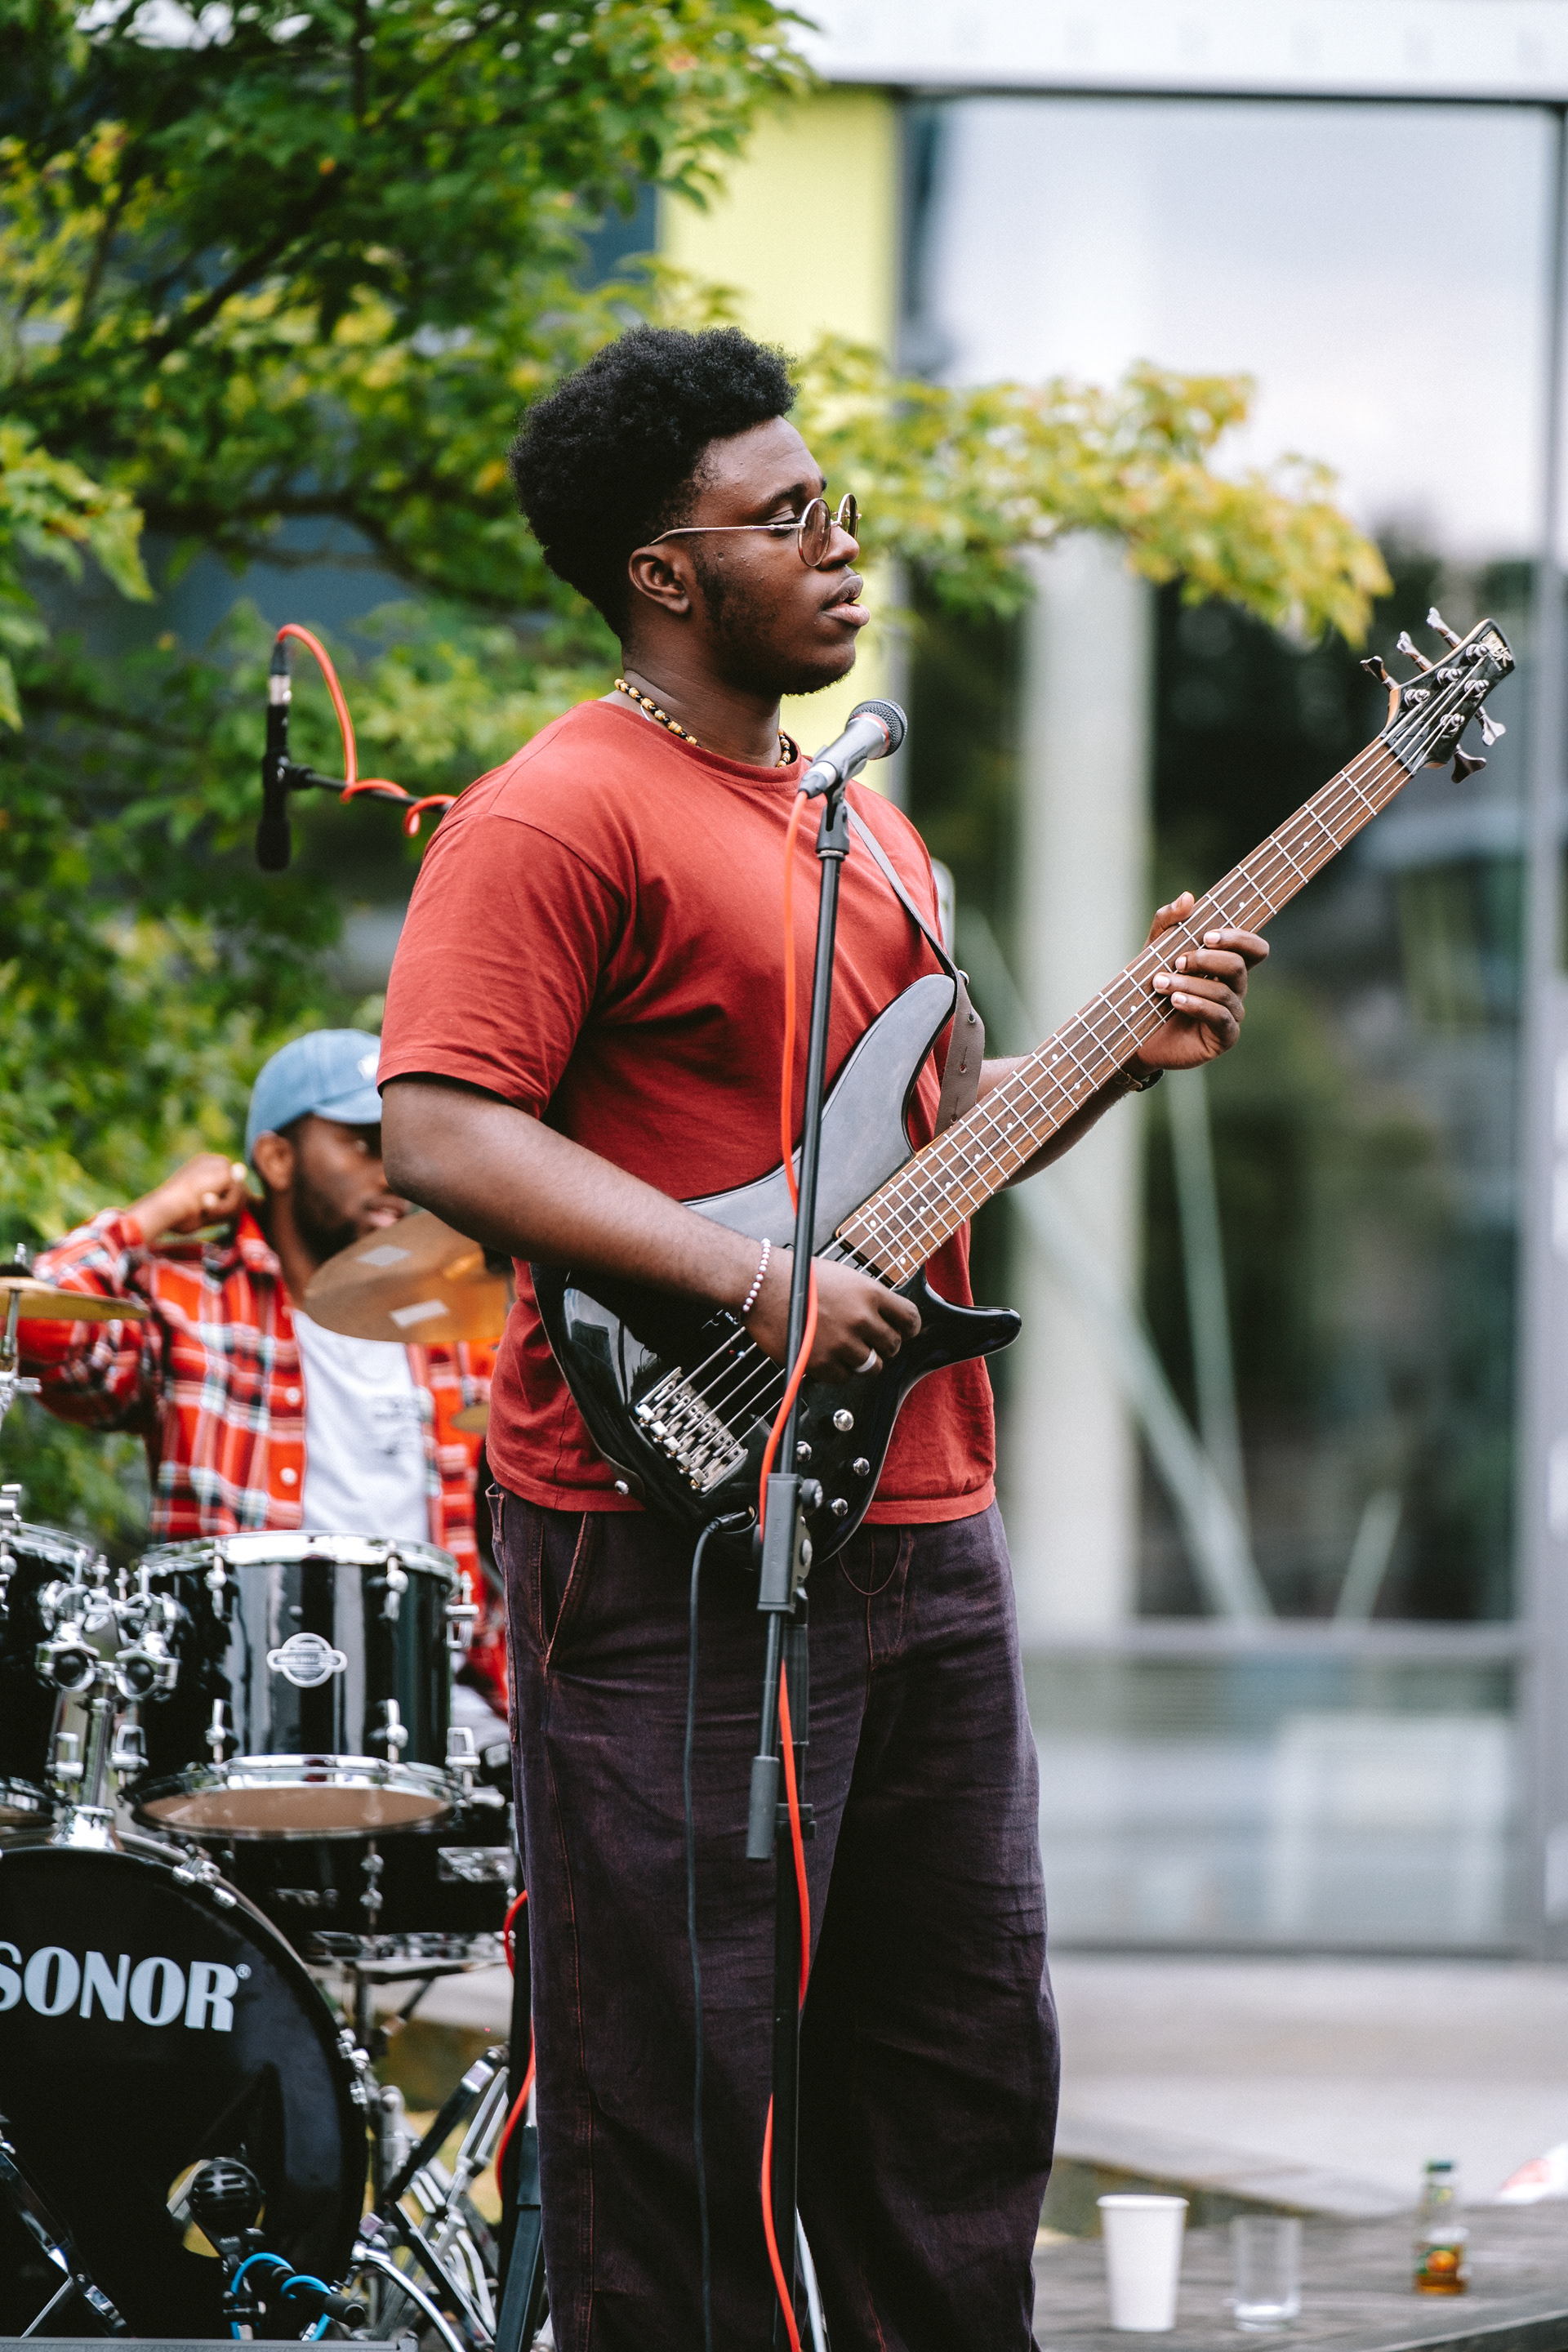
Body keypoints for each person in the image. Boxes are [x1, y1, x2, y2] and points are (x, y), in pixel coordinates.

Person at [376, 325, 1267, 2352]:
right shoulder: (557, 813)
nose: (841, 542)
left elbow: (936, 1152)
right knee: (680, 2118)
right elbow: (439, 1124)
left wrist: (1119, 1052)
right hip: (667, 1532)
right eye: (785, 516)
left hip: (921, 1523)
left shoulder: (870, 825)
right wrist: (757, 1287)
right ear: (663, 573)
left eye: (832, 500)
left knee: (956, 2088)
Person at [23, 1028, 503, 1707]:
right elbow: (35, 1327)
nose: (393, 1173)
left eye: (398, 1148)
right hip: (236, 1705)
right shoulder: (190, 1303)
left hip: (432, 1706)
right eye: (363, 1144)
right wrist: (156, 1212)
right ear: (277, 1159)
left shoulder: (456, 1322)